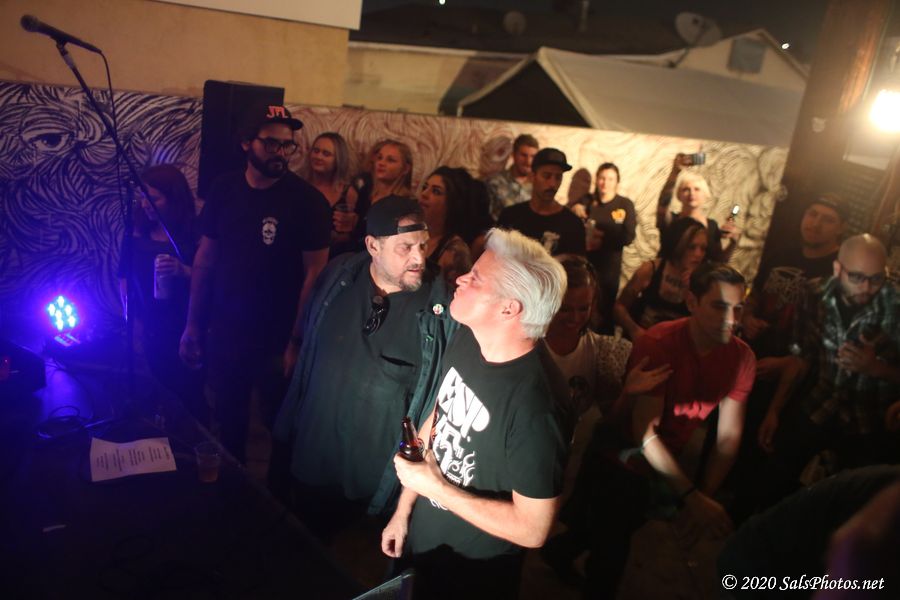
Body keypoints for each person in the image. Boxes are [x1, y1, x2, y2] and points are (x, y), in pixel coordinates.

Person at [544, 262, 755, 598]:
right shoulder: (661, 343)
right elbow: (644, 433)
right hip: (619, 454)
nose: (731, 319)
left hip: (663, 460)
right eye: (719, 306)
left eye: (738, 308)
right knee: (610, 554)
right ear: (691, 302)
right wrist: (692, 497)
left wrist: (704, 496)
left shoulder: (742, 358)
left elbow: (728, 437)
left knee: (608, 528)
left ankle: (559, 551)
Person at [381, 228, 569, 600]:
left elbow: (534, 529)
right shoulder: (470, 336)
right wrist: (403, 511)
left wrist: (436, 488)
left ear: (508, 308)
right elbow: (439, 416)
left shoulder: (538, 406)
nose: (461, 278)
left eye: (476, 278)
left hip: (473, 573)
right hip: (423, 540)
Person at [272, 196, 457, 541]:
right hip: (311, 458)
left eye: (422, 245)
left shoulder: (441, 311)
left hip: (372, 490)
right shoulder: (339, 276)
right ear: (373, 246)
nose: (419, 258)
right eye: (405, 248)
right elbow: (306, 340)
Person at [178, 103, 331, 464]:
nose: (281, 153)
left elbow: (315, 275)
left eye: (287, 145)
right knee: (227, 418)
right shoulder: (224, 188)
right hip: (227, 329)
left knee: (279, 426)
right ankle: (230, 488)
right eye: (271, 143)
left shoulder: (307, 201)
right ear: (247, 142)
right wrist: (193, 325)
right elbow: (205, 259)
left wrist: (297, 341)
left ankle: (275, 494)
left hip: (278, 336)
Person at [760, 234, 900, 499]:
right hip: (821, 401)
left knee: (857, 497)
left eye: (876, 279)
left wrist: (876, 369)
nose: (867, 287)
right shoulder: (814, 294)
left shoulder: (895, 306)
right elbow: (801, 357)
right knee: (775, 475)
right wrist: (774, 411)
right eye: (857, 277)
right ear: (837, 269)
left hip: (870, 416)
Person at [118, 164, 204, 419]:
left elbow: (212, 279)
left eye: (153, 199)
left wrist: (183, 270)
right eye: (142, 197)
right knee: (156, 388)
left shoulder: (193, 232)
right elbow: (123, 277)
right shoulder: (137, 230)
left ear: (173, 198)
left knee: (188, 393)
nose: (145, 204)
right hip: (149, 324)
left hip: (184, 325)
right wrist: (131, 318)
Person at [544, 255, 670, 428]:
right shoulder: (525, 343)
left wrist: (628, 393)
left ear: (594, 304)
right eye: (565, 309)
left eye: (583, 308)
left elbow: (609, 421)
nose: (575, 317)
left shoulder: (600, 352)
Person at [743, 195, 846, 357]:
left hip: (792, 366)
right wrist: (747, 318)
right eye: (812, 214)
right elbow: (754, 294)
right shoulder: (780, 253)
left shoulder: (841, 271)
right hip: (751, 352)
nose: (816, 224)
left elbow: (834, 333)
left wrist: (796, 362)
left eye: (828, 220)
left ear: (841, 228)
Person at [614, 217, 708, 340]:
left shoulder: (704, 280)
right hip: (644, 339)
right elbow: (619, 307)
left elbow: (704, 325)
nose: (698, 254)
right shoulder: (650, 269)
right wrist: (635, 331)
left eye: (703, 249)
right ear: (678, 245)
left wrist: (691, 290)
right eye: (692, 247)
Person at [571, 163, 637, 334]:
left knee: (605, 315)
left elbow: (629, 236)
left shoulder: (625, 204)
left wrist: (603, 240)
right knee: (582, 311)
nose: (605, 183)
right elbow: (573, 225)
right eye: (602, 178)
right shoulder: (587, 200)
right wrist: (575, 209)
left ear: (617, 182)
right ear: (597, 180)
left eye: (610, 179)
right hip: (585, 268)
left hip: (609, 271)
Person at [497, 148, 585, 256]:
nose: (552, 184)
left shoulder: (572, 224)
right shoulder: (510, 216)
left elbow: (576, 265)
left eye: (558, 177)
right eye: (546, 176)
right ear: (532, 177)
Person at [656, 154, 739, 262]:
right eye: (686, 189)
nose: (692, 193)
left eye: (697, 189)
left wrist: (733, 243)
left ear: (705, 195)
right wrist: (675, 172)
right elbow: (663, 205)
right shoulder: (671, 220)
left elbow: (719, 261)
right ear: (679, 195)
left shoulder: (712, 226)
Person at [301, 131, 361, 256]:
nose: (318, 157)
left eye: (326, 154)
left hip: (335, 258)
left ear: (338, 159)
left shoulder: (348, 192)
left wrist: (351, 227)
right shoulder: (300, 186)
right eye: (316, 151)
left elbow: (351, 236)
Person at [418, 167, 479, 290]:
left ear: (452, 202)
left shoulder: (456, 250)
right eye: (425, 187)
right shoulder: (414, 233)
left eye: (436, 191)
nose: (424, 194)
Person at [486, 133, 539, 220]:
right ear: (513, 155)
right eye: (523, 155)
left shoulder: (539, 185)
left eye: (533, 156)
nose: (528, 161)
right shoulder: (494, 183)